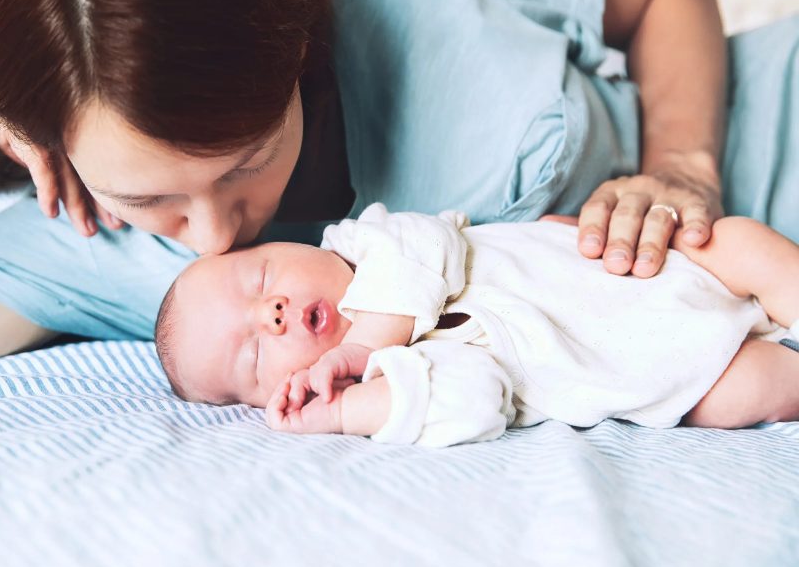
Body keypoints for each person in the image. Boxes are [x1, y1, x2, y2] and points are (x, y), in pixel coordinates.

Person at [0, 0, 798, 372]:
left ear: (298, 52)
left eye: (244, 161)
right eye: (149, 199)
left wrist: (682, 165)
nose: (213, 236)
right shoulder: (83, 237)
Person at [153, 204, 799, 446]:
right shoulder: (394, 381)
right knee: (742, 393)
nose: (270, 314)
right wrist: (347, 410)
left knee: (739, 242)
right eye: (253, 356)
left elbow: (427, 245)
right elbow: (475, 401)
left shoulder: (373, 241)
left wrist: (363, 342)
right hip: (660, 364)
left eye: (261, 278)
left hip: (653, 268)